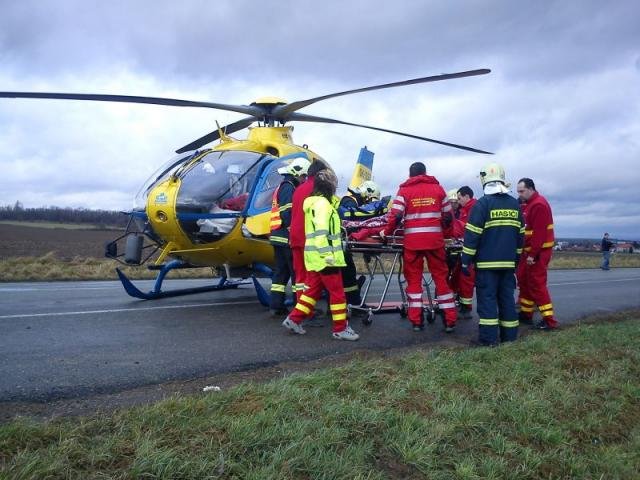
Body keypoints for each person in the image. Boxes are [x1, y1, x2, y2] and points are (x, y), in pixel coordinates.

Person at [282, 169, 360, 341]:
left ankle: (293, 319)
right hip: (326, 258)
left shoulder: (314, 203)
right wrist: (328, 257)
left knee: (311, 291)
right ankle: (340, 328)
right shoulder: (323, 205)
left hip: (315, 257)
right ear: (329, 186)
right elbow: (321, 233)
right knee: (338, 293)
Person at [380, 162, 457, 332]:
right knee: (441, 279)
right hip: (435, 243)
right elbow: (448, 216)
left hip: (413, 244)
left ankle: (416, 321)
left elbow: (396, 215)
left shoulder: (405, 190)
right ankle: (450, 320)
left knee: (414, 281)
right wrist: (447, 236)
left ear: (410, 175)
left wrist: (386, 232)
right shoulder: (438, 189)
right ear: (425, 173)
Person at [461, 163, 524, 346]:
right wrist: (515, 260)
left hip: (487, 267)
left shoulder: (483, 204)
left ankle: (489, 341)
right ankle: (509, 338)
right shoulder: (515, 204)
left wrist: (465, 261)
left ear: (483, 180)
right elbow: (520, 238)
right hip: (508, 265)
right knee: (507, 301)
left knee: (487, 302)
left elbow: (472, 236)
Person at [268, 157, 311, 315]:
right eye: (304, 176)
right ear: (298, 173)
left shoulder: (284, 185)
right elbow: (287, 212)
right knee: (296, 273)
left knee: (281, 273)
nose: (304, 179)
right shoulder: (288, 187)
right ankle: (299, 307)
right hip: (286, 237)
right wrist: (295, 232)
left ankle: (276, 306)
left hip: (278, 236)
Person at [516, 177, 558, 330]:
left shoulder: (539, 205)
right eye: (518, 191)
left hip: (538, 253)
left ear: (531, 189)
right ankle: (526, 313)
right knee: (524, 281)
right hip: (528, 252)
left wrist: (533, 255)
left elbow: (539, 234)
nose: (520, 194)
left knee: (537, 284)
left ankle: (549, 320)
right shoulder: (528, 205)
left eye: (522, 191)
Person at [338, 180, 384, 307]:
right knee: (347, 274)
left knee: (348, 273)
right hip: (339, 243)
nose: (369, 204)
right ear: (367, 194)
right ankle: (353, 303)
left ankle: (353, 302)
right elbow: (351, 223)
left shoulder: (353, 202)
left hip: (342, 243)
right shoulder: (350, 201)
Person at [289, 160, 328, 302]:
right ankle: (307, 309)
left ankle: (301, 309)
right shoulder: (319, 188)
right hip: (309, 239)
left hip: (295, 238)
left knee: (300, 277)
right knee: (312, 277)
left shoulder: (298, 188)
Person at [452, 185, 477, 319]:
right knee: (457, 275)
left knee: (466, 278)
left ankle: (466, 307)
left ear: (467, 196)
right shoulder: (465, 209)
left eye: (460, 198)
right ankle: (456, 301)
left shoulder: (475, 208)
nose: (458, 201)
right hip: (463, 247)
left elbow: (467, 229)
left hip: (471, 250)